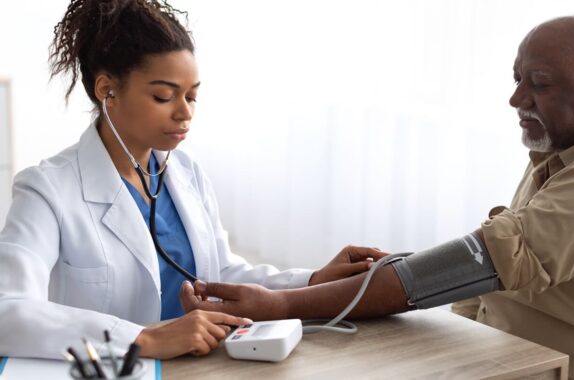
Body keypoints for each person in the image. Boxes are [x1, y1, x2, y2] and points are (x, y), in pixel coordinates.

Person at [181, 14, 574, 379]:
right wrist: (398, 282)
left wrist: (281, 305)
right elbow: (489, 282)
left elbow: (480, 261)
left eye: (539, 84)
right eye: (516, 78)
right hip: (502, 358)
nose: (515, 98)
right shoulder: (563, 150)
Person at [0, 0, 386, 360]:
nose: (184, 113)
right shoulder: (46, 190)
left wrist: (314, 280)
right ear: (107, 91)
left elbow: (221, 274)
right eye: (164, 97)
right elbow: (8, 311)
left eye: (192, 96)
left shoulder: (185, 172)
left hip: (203, 364)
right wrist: (144, 339)